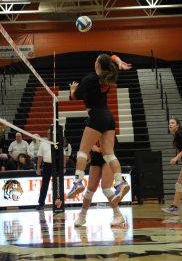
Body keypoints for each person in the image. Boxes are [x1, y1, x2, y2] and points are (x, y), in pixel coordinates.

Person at [67, 53, 132, 204]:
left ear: (97, 64)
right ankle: (120, 182)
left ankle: (78, 182)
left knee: (82, 151)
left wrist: (72, 89)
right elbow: (112, 57)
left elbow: (75, 96)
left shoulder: (90, 79)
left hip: (96, 116)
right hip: (109, 117)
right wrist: (118, 61)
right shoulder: (107, 77)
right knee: (109, 154)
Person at [74, 140, 125, 227]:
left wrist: (99, 149)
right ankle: (82, 216)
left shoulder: (107, 131)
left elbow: (114, 148)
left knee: (106, 188)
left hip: (108, 159)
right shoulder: (90, 132)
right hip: (95, 160)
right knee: (90, 190)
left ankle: (118, 215)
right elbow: (86, 150)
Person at [36, 129, 67, 210]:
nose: (48, 135)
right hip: (47, 166)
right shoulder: (43, 143)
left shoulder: (58, 143)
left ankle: (59, 203)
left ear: (53, 134)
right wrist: (38, 168)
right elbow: (40, 157)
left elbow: (63, 156)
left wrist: (63, 167)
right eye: (48, 133)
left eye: (50, 133)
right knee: (44, 185)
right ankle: (41, 203)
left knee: (58, 185)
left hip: (56, 165)